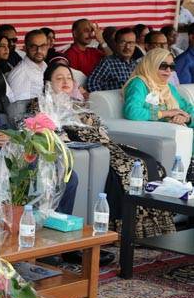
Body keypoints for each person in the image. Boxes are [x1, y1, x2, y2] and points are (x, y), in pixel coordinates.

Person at [34, 61, 174, 241]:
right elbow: (49, 134)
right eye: (59, 78)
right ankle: (125, 231)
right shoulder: (41, 105)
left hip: (104, 144)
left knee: (148, 162)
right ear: (48, 83)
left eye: (69, 77)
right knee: (128, 169)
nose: (66, 81)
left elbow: (99, 125)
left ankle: (151, 230)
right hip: (87, 150)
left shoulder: (77, 103)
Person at [123, 48, 194, 130]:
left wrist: (186, 118)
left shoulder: (168, 87)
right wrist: (165, 114)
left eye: (172, 66)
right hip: (155, 134)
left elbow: (189, 109)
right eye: (163, 66)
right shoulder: (139, 83)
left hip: (177, 133)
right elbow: (132, 111)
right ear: (151, 65)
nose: (168, 70)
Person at [86, 27, 138, 92]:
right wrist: (104, 98)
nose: (127, 47)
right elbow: (91, 83)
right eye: (123, 42)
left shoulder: (136, 65)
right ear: (116, 44)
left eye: (131, 43)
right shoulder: (108, 63)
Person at [7, 29, 48, 102]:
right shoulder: (20, 73)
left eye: (43, 46)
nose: (39, 51)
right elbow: (18, 108)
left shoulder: (44, 65)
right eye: (33, 47)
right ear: (25, 48)